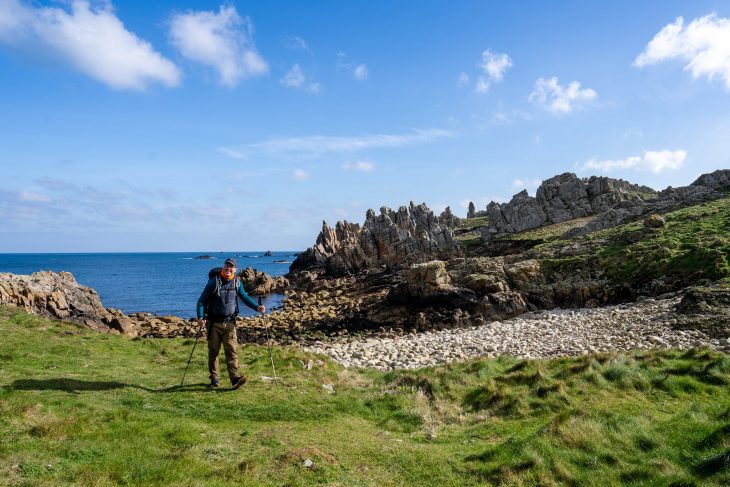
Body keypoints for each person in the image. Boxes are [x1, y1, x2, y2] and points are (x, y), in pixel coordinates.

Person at [197, 257, 264, 389]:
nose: (228, 268)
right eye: (226, 266)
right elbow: (201, 301)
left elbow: (244, 297)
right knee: (213, 352)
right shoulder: (213, 282)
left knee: (232, 350)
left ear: (235, 269)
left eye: (231, 267)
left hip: (230, 323)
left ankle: (234, 379)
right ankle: (214, 378)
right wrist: (200, 317)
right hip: (213, 323)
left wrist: (257, 307)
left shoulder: (237, 283)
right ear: (223, 267)